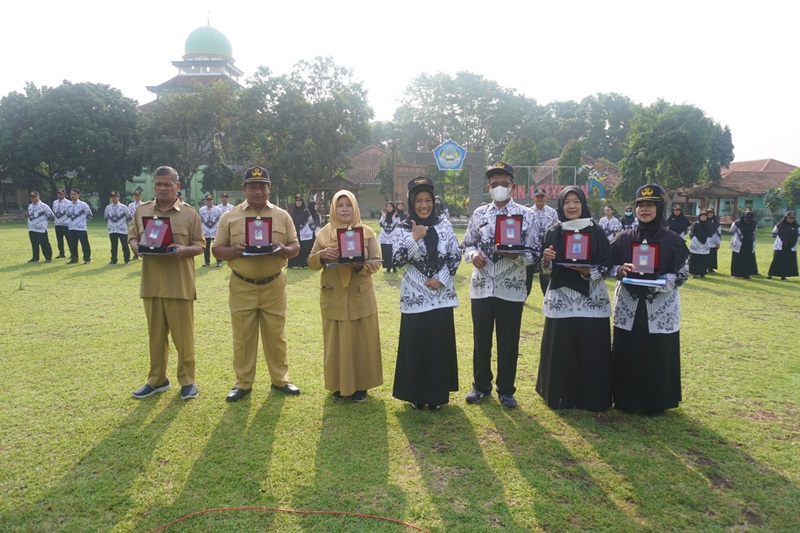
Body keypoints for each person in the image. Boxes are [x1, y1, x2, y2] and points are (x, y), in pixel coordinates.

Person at [212, 166, 302, 402]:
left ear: (269, 188)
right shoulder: (230, 217)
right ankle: (243, 383)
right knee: (243, 337)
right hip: (242, 285)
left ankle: (280, 379)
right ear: (244, 189)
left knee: (276, 335)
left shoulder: (282, 215)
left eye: (263, 186)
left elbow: (295, 247)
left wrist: (283, 249)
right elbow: (217, 249)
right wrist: (234, 251)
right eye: (253, 187)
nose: (258, 191)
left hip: (274, 284)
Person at [462, 162, 540, 409]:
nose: (499, 188)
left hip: (512, 287)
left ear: (513, 186)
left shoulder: (527, 215)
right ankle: (481, 386)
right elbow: (467, 244)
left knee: (509, 340)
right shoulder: (479, 213)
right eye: (494, 184)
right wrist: (473, 256)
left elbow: (535, 252)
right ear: (488, 187)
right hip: (482, 286)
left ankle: (506, 389)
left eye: (503, 184)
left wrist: (517, 256)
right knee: (481, 339)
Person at [610, 184, 689, 416]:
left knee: (658, 351)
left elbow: (683, 272)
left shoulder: (673, 240)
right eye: (640, 206)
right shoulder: (623, 238)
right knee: (628, 348)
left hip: (659, 305)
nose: (644, 210)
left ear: (659, 208)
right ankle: (626, 398)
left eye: (650, 205)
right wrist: (619, 270)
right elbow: (608, 265)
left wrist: (664, 281)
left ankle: (656, 401)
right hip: (630, 302)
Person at [128, 166, 205, 400]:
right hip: (151, 284)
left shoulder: (189, 214)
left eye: (167, 184)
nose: (162, 188)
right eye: (158, 184)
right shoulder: (142, 211)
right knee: (156, 336)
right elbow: (132, 237)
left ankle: (187, 381)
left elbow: (200, 245)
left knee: (183, 337)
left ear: (177, 186)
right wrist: (136, 248)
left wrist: (183, 250)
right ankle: (157, 380)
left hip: (179, 284)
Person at [536, 187, 613, 411]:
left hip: (591, 300)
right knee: (561, 349)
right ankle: (560, 396)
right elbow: (544, 270)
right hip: (562, 298)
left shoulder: (596, 230)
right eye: (567, 202)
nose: (571, 206)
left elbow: (608, 263)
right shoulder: (553, 231)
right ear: (560, 205)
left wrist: (589, 272)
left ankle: (592, 398)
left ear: (583, 204)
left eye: (576, 201)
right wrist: (547, 260)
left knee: (592, 350)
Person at [391, 177, 461, 410]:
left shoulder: (444, 225)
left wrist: (441, 279)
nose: (424, 205)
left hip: (440, 296)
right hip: (414, 296)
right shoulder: (402, 227)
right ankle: (415, 395)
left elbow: (454, 255)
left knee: (437, 345)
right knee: (416, 345)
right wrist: (414, 237)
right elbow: (396, 259)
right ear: (411, 202)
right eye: (418, 200)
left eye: (428, 200)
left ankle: (437, 396)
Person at [308, 190, 383, 402]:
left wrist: (361, 265)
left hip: (360, 296)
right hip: (334, 296)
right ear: (333, 208)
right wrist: (322, 256)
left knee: (362, 341)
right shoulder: (323, 234)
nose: (344, 209)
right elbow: (311, 262)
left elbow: (377, 261)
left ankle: (361, 387)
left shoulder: (367, 233)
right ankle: (338, 385)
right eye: (340, 205)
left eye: (348, 205)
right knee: (336, 342)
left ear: (355, 208)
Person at [528, 186, 558, 297]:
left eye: (542, 197)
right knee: (527, 281)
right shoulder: (528, 212)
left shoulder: (552, 212)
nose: (540, 199)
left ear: (546, 198)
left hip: (547, 250)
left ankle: (549, 301)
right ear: (533, 198)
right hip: (532, 250)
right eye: (537, 197)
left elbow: (556, 230)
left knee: (547, 281)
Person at [767, 211, 799, 281]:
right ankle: (770, 275)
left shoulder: (796, 226)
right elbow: (774, 233)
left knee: (786, 261)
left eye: (792, 218)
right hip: (780, 245)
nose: (791, 219)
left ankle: (783, 276)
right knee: (776, 260)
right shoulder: (779, 225)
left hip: (790, 246)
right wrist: (779, 240)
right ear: (786, 218)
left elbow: (798, 235)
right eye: (789, 218)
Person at [104, 190, 133, 265]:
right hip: (112, 229)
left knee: (125, 245)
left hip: (122, 229)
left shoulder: (123, 207)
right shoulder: (108, 208)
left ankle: (127, 259)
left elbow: (129, 217)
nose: (114, 198)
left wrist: (123, 224)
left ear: (118, 198)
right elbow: (106, 217)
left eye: (115, 197)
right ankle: (113, 260)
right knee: (113, 246)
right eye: (112, 197)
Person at [26, 191, 54, 263]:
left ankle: (48, 257)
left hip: (41, 228)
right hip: (32, 228)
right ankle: (35, 257)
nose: (33, 199)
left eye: (35, 197)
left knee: (44, 243)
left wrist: (44, 223)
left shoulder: (44, 206)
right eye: (32, 197)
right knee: (34, 244)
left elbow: (51, 216)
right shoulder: (30, 206)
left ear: (38, 197)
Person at [66, 189, 93, 264]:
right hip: (71, 227)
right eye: (71, 194)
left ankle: (87, 258)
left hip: (81, 228)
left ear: (78, 195)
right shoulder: (68, 205)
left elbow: (89, 215)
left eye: (74, 194)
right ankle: (74, 258)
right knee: (72, 244)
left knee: (84, 244)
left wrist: (82, 221)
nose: (72, 196)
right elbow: (67, 214)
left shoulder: (83, 204)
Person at [730, 210, 759, 279]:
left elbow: (754, 232)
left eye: (749, 220)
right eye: (746, 220)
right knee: (737, 259)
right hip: (738, 243)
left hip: (749, 242)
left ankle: (746, 274)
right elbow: (732, 230)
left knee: (747, 259)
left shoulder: (754, 224)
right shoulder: (737, 223)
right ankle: (735, 274)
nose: (747, 221)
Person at [289, 194, 314, 268]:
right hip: (295, 232)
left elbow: (310, 221)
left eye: (300, 201)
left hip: (304, 233)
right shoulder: (293, 211)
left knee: (303, 248)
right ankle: (294, 263)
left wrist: (303, 226)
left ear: (302, 202)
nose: (298, 202)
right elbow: (290, 221)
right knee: (294, 246)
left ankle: (303, 263)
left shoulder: (306, 211)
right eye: (297, 201)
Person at [687, 210, 713, 278]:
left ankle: (702, 273)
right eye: (702, 216)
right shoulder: (696, 224)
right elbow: (691, 232)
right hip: (696, 243)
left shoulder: (709, 224)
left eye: (705, 216)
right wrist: (694, 239)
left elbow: (710, 233)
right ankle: (693, 273)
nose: (703, 217)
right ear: (699, 216)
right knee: (694, 258)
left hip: (706, 243)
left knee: (703, 259)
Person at [198, 194, 222, 267]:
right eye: (207, 200)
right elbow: (200, 220)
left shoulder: (218, 209)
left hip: (215, 231)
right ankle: (207, 262)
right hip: (206, 231)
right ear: (205, 201)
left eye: (210, 200)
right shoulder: (201, 210)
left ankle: (218, 261)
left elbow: (220, 220)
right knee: (206, 247)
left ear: (213, 201)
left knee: (216, 247)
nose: (209, 202)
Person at [378, 201, 398, 273]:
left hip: (393, 237)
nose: (389, 208)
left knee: (393, 252)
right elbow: (381, 224)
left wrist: (393, 217)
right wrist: (383, 217)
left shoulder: (396, 215)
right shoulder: (384, 215)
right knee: (386, 252)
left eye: (390, 206)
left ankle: (394, 267)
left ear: (393, 207)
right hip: (384, 237)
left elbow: (396, 224)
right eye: (387, 207)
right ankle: (388, 268)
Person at [52, 188, 70, 259]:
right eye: (58, 193)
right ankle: (61, 253)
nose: (59, 195)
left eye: (61, 194)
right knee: (59, 240)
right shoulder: (55, 202)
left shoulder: (68, 202)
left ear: (64, 194)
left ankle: (72, 253)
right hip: (58, 224)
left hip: (66, 224)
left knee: (69, 239)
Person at [128, 191, 144, 260]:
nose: (137, 197)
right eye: (136, 195)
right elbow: (129, 214)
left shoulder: (143, 205)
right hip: (133, 223)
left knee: (142, 239)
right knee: (133, 238)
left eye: (138, 195)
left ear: (141, 196)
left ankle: (142, 252)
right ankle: (135, 254)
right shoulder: (131, 205)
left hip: (141, 224)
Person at [705, 207, 721, 272]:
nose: (710, 214)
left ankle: (710, 268)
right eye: (708, 213)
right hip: (705, 241)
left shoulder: (716, 223)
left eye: (711, 213)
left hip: (713, 241)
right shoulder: (703, 221)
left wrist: (718, 242)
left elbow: (719, 233)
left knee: (712, 255)